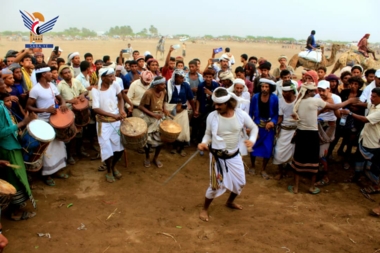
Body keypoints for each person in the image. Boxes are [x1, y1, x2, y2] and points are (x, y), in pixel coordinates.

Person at [198, 87, 258, 222]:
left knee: (240, 183)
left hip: (234, 156)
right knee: (214, 186)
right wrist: (204, 143)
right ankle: (204, 209)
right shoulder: (212, 116)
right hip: (217, 157)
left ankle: (230, 202)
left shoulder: (241, 114)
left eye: (219, 104)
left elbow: (254, 127)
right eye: (215, 104)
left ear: (228, 103)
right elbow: (207, 134)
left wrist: (252, 140)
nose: (216, 106)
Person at [289, 83, 357, 194]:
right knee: (313, 159)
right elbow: (335, 107)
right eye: (313, 91)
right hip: (312, 134)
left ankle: (296, 187)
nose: (316, 93)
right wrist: (349, 101)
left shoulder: (298, 102)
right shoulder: (316, 101)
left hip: (301, 133)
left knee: (299, 158)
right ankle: (312, 186)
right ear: (308, 92)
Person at [26, 64, 69, 186]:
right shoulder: (36, 89)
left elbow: (60, 98)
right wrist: (45, 110)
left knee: (59, 146)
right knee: (47, 150)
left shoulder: (52, 86)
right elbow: (28, 106)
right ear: (43, 74)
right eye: (49, 72)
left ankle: (57, 170)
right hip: (43, 122)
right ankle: (47, 175)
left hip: (54, 120)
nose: (52, 74)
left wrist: (63, 103)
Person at [0, 87, 37, 221]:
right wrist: (22, 123)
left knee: (17, 177)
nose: (5, 86)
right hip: (8, 148)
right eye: (2, 84)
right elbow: (1, 132)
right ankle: (15, 212)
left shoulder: (2, 105)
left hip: (11, 145)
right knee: (15, 179)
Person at [92, 68, 126, 183]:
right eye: (110, 76)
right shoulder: (96, 90)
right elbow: (96, 108)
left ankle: (113, 166)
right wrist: (112, 115)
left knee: (119, 148)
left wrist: (121, 110)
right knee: (107, 149)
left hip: (116, 121)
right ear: (102, 78)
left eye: (113, 76)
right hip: (104, 123)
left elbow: (120, 98)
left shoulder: (115, 85)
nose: (113, 78)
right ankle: (109, 171)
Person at [342, 88, 380, 184]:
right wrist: (351, 102)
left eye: (374, 97)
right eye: (371, 96)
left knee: (374, 164)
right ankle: (357, 177)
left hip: (374, 141)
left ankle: (373, 183)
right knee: (359, 158)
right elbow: (365, 104)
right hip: (365, 137)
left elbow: (365, 119)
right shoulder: (373, 104)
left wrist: (350, 113)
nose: (371, 98)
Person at [57, 65, 89, 164]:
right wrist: (69, 101)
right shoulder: (60, 85)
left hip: (79, 111)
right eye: (65, 73)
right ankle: (70, 155)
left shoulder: (76, 81)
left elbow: (85, 91)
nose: (67, 74)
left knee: (80, 132)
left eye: (68, 72)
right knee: (71, 134)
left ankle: (79, 151)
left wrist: (82, 95)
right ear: (61, 75)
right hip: (68, 112)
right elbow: (57, 99)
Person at [249, 78, 279, 179]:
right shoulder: (255, 97)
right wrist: (250, 126)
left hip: (268, 128)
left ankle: (263, 169)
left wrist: (272, 122)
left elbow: (276, 114)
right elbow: (250, 112)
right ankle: (252, 166)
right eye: (262, 86)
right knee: (253, 146)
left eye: (266, 87)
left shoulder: (275, 98)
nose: (264, 89)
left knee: (268, 148)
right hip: (257, 126)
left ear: (270, 88)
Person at [314, 80, 342, 186]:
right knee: (315, 151)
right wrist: (322, 109)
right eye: (319, 90)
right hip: (317, 124)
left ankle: (325, 176)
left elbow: (339, 116)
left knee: (322, 153)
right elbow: (314, 113)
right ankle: (316, 173)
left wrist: (332, 105)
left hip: (329, 126)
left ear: (328, 89)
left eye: (323, 90)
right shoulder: (316, 97)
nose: (321, 93)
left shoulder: (336, 98)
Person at [138, 76, 169, 168]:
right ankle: (147, 157)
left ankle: (156, 157)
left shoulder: (164, 91)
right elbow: (141, 107)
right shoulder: (149, 93)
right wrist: (153, 114)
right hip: (149, 117)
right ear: (156, 86)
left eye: (164, 84)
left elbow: (163, 102)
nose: (164, 86)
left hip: (159, 117)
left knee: (161, 139)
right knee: (148, 140)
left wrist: (164, 109)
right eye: (162, 84)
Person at [273, 80, 297, 180]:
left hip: (296, 130)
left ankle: (289, 171)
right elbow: (280, 117)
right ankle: (280, 171)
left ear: (292, 91)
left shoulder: (298, 100)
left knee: (294, 152)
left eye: (286, 92)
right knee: (278, 151)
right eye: (283, 91)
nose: (283, 94)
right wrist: (274, 124)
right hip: (284, 129)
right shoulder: (280, 101)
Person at [167, 70, 195, 156]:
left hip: (182, 109)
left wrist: (194, 110)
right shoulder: (169, 85)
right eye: (180, 77)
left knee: (183, 129)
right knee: (173, 129)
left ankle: (181, 148)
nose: (181, 79)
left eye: (183, 77)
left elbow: (190, 98)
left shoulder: (186, 85)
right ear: (175, 77)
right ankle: (174, 147)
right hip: (171, 110)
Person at [193, 69, 219, 152]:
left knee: (214, 126)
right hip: (204, 109)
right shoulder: (201, 86)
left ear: (213, 77)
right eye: (206, 77)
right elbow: (198, 99)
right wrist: (197, 110)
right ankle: (202, 143)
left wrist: (211, 94)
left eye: (210, 77)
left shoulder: (216, 85)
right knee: (203, 126)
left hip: (213, 109)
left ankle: (212, 144)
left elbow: (218, 98)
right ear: (204, 77)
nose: (208, 79)